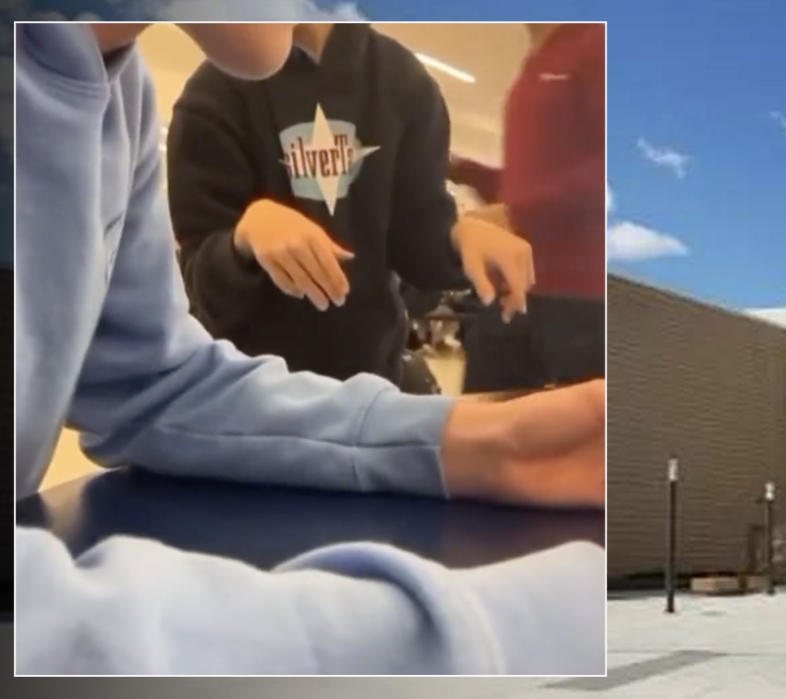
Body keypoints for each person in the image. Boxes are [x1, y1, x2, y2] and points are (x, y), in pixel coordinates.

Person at [13, 22, 602, 675]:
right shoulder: (207, 99)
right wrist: (488, 629)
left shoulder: (117, 95)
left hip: (347, 388)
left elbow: (153, 380)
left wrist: (482, 441)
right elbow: (202, 277)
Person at [168, 23, 531, 391]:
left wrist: (460, 238)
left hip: (371, 388)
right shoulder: (213, 96)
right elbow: (197, 288)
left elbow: (418, 250)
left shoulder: (403, 83)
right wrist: (243, 241)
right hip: (250, 398)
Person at [448, 23, 605, 393]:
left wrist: (519, 212)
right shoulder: (534, 61)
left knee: (574, 441)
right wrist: (463, 170)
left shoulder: (594, 41)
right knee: (485, 427)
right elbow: (525, 183)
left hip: (574, 300)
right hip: (511, 291)